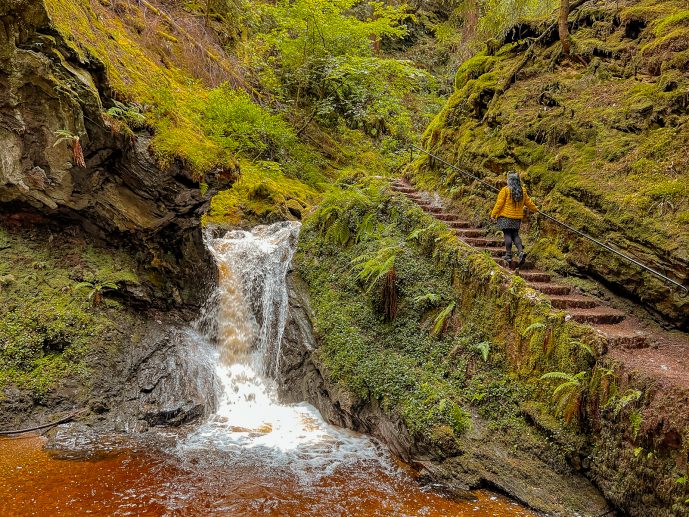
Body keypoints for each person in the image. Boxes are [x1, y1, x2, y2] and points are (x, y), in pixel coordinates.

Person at [490, 171, 538, 266]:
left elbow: (499, 204)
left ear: (509, 180)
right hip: (516, 218)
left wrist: (493, 214)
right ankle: (521, 252)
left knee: (507, 234)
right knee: (515, 235)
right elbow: (528, 202)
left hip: (505, 216)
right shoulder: (522, 191)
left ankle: (508, 254)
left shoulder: (505, 190)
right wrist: (535, 209)